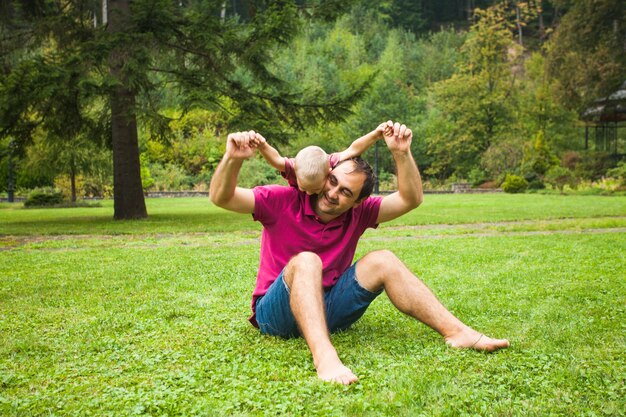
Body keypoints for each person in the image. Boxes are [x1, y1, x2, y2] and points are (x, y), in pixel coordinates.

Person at [209, 122, 509, 385]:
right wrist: (233, 159)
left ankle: (457, 332)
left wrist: (401, 154)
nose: (332, 193)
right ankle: (325, 357)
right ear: (326, 172)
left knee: (383, 259)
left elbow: (410, 198)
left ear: (357, 203)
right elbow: (222, 197)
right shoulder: (281, 198)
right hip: (275, 314)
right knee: (307, 260)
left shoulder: (360, 214)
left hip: (328, 309)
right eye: (332, 181)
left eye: (346, 193)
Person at [250, 122, 391, 195]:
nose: (309, 193)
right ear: (296, 173)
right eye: (304, 188)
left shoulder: (331, 161)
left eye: (316, 189)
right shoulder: (295, 167)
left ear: (329, 172)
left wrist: (376, 135)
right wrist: (262, 145)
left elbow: (353, 149)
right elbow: (276, 160)